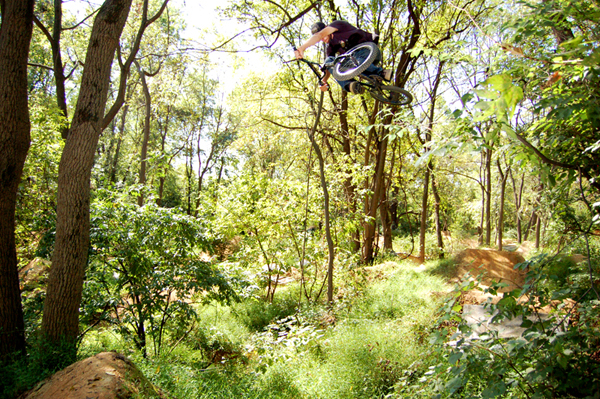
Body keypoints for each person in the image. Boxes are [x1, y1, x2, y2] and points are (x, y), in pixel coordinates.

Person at [294, 20, 392, 94]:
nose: (323, 38)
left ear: (326, 28)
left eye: (323, 34)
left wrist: (302, 48)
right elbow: (329, 66)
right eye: (320, 38)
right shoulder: (331, 47)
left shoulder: (337, 26)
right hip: (359, 63)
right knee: (329, 61)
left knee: (353, 61)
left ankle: (380, 72)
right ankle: (351, 84)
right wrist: (324, 81)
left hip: (368, 51)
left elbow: (320, 35)